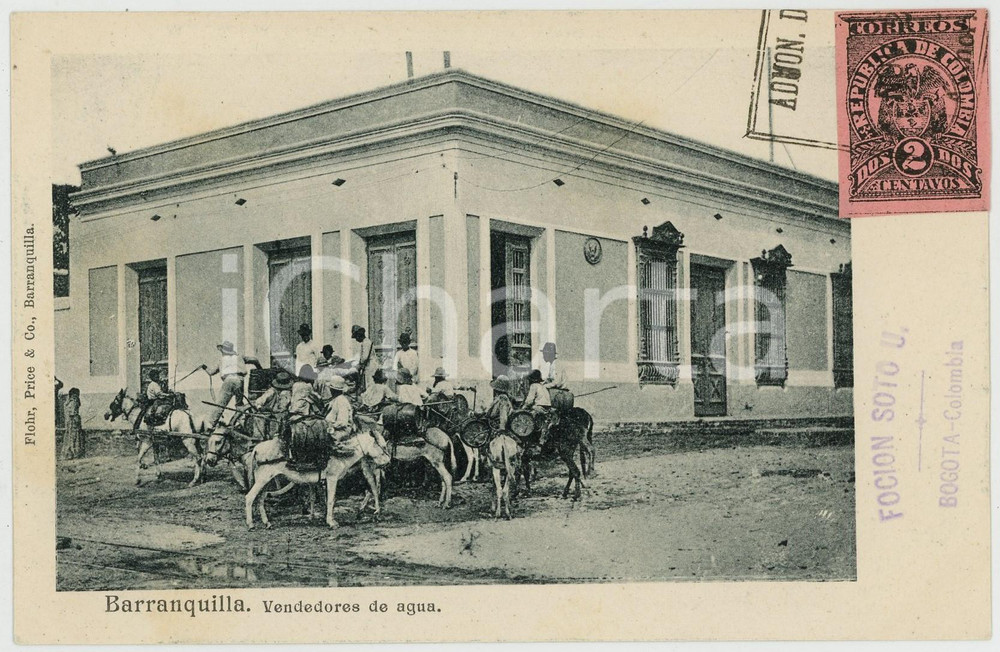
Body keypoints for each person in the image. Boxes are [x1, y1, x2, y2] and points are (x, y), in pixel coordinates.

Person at [203, 341, 248, 427]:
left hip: (229, 380)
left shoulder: (222, 359)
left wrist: (204, 367)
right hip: (240, 380)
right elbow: (253, 360)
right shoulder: (239, 356)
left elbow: (211, 372)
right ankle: (242, 422)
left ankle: (211, 424)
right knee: (239, 404)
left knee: (220, 404)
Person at [522, 369, 554, 446]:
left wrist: (523, 408)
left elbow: (529, 401)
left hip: (539, 408)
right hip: (548, 408)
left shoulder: (533, 386)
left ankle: (527, 439)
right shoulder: (543, 387)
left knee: (526, 419)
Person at [325, 375, 355, 448]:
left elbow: (342, 422)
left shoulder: (341, 401)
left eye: (331, 388)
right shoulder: (335, 399)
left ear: (333, 390)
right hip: (333, 428)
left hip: (340, 432)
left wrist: (330, 426)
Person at [60, 387, 84, 460]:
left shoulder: (68, 401)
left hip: (70, 421)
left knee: (70, 437)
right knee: (74, 437)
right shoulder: (74, 400)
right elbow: (73, 412)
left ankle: (70, 453)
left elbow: (70, 411)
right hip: (73, 420)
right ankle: (73, 453)